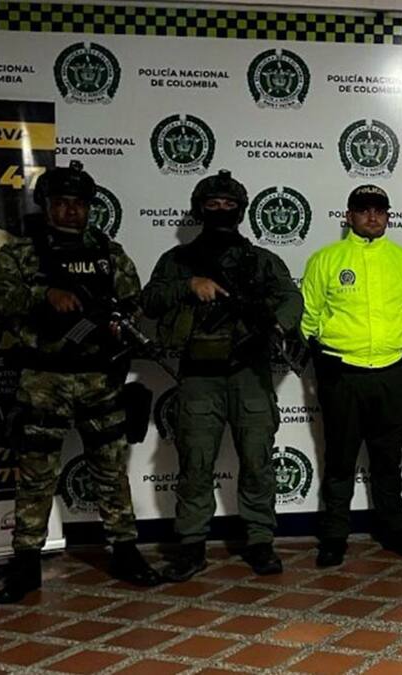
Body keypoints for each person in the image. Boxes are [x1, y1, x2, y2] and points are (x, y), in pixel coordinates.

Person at [0, 161, 161, 603]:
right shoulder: (20, 254)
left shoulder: (108, 253)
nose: (71, 211)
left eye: (79, 204)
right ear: (46, 205)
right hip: (43, 379)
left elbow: (133, 300)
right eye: (62, 203)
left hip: (99, 379)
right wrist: (43, 295)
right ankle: (26, 564)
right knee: (35, 474)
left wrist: (120, 322)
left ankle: (125, 551)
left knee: (111, 471)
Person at [141, 170, 303, 581]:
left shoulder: (260, 260)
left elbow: (290, 298)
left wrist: (274, 326)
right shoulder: (177, 261)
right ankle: (191, 545)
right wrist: (188, 285)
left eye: (229, 205)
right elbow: (150, 301)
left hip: (249, 373)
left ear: (241, 211)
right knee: (195, 463)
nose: (221, 211)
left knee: (257, 460)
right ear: (199, 210)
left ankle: (260, 541)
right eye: (212, 205)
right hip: (198, 377)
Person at [301, 184, 402, 567]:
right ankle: (334, 536)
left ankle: (393, 529)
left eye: (379, 210)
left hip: (390, 374)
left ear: (388, 216)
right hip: (342, 375)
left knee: (388, 459)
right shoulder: (326, 259)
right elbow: (309, 317)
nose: (372, 216)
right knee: (339, 460)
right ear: (349, 215)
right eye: (363, 209)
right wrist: (327, 362)